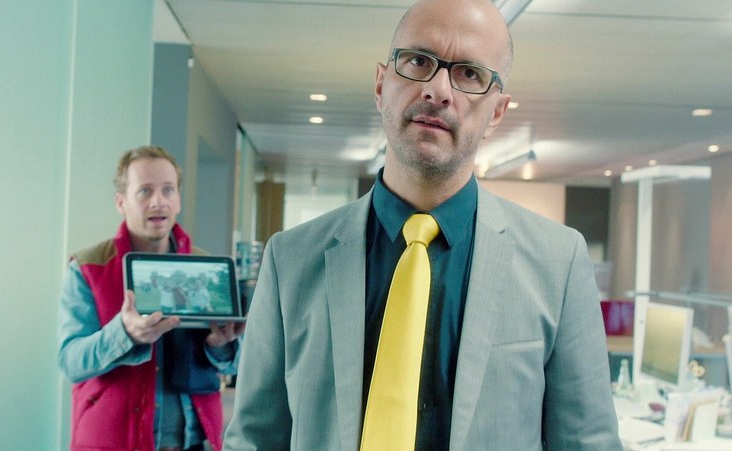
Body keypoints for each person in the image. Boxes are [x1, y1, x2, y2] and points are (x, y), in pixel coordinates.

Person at [223, 0, 621, 449]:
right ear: (381, 84)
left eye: (469, 73)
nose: (438, 90)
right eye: (418, 61)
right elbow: (254, 438)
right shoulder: (291, 258)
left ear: (496, 112)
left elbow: (587, 442)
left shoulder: (558, 262)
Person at [58, 146, 245, 451]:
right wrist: (124, 333)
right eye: (145, 191)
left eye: (168, 190)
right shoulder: (88, 267)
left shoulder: (205, 269)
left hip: (196, 442)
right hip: (112, 443)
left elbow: (234, 366)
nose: (158, 201)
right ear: (121, 202)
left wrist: (221, 345)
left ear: (178, 200)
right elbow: (70, 362)